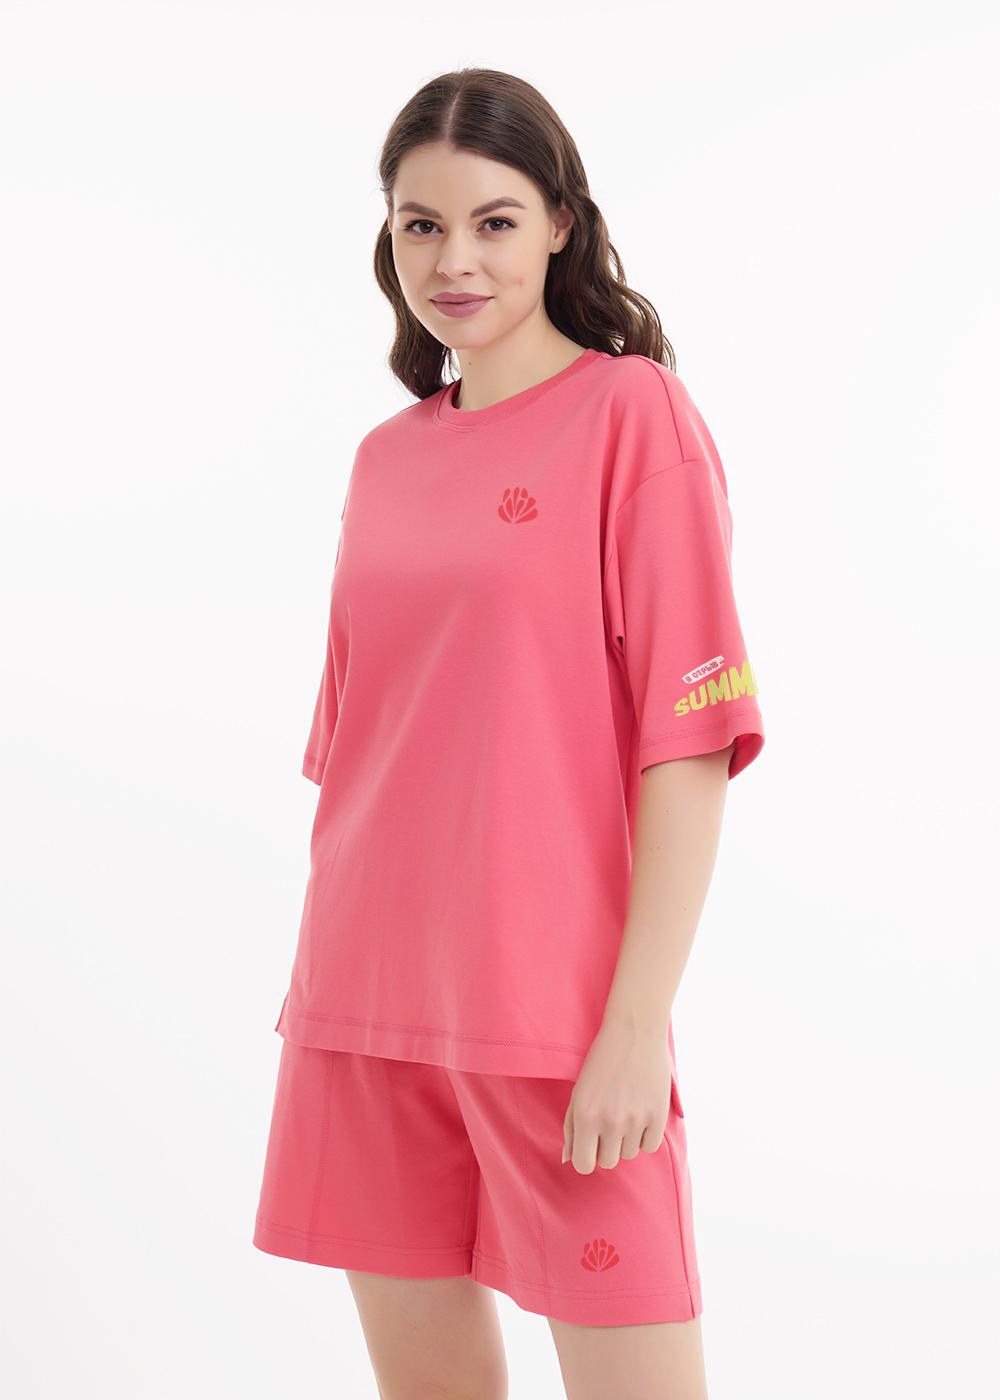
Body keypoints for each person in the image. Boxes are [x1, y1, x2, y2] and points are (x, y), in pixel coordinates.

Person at [252, 66, 765, 1400]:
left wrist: (635, 1026)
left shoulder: (634, 416)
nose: (454, 261)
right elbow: (362, 756)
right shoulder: (385, 460)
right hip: (365, 1002)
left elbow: (688, 746)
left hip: (557, 1019)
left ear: (559, 224)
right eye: (420, 225)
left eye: (493, 221)